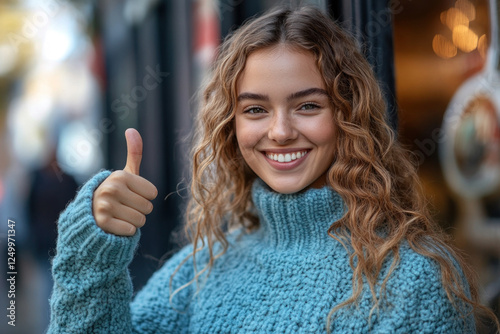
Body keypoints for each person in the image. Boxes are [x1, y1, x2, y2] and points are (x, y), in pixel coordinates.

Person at [48, 6, 499, 333]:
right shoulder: (204, 268)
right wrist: (92, 251)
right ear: (231, 125)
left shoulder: (413, 279)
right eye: (256, 110)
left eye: (307, 105)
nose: (280, 132)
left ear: (349, 114)